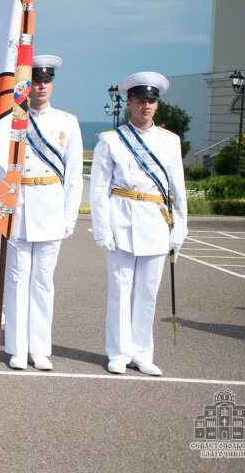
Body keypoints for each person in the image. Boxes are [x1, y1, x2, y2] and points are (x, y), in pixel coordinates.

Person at [90, 71, 187, 377]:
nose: (146, 106)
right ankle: (118, 352)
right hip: (121, 221)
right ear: (129, 102)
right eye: (140, 100)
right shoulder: (111, 141)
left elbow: (178, 189)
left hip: (155, 223)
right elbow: (99, 189)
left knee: (148, 292)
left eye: (151, 101)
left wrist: (180, 228)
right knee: (119, 291)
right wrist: (102, 228)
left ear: (156, 105)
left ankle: (143, 352)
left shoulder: (169, 142)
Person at [3, 55, 83, 371]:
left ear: (52, 83)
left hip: (50, 207)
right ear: (28, 84)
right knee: (18, 279)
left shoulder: (67, 122)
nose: (41, 86)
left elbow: (74, 176)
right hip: (20, 207)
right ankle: (18, 348)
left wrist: (68, 217)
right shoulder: (13, 119)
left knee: (43, 282)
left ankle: (39, 348)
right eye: (36, 81)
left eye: (46, 81)